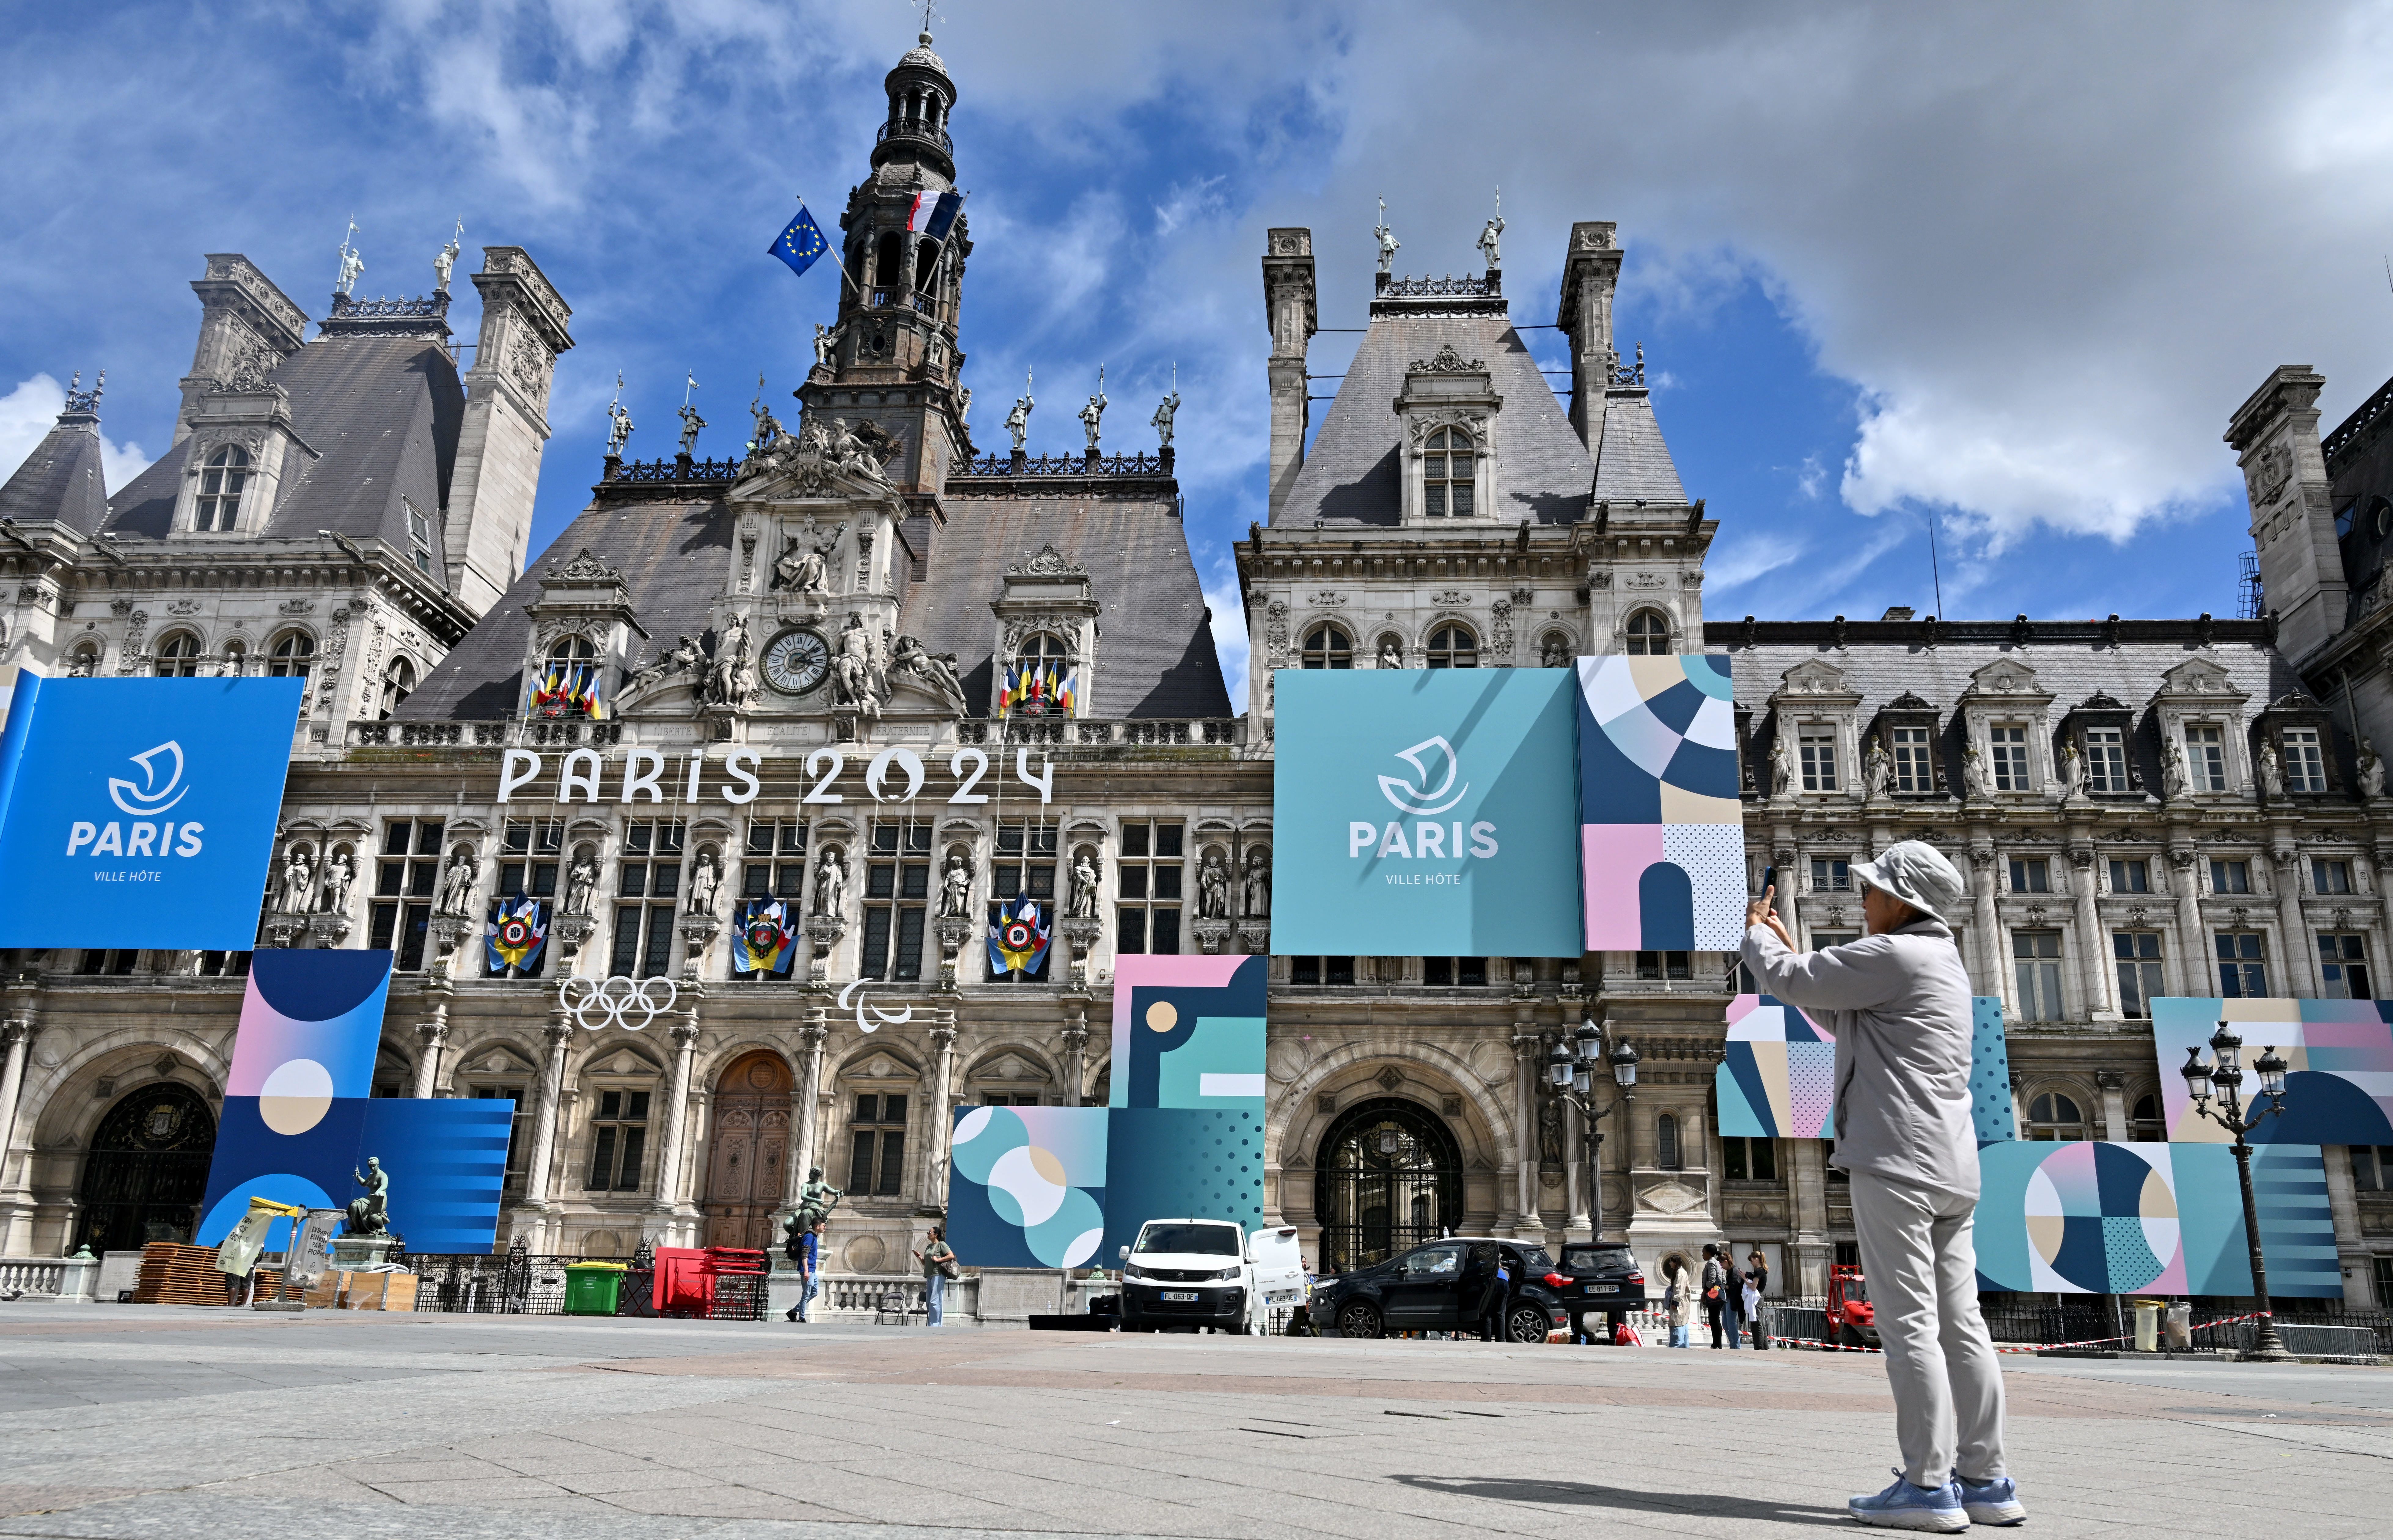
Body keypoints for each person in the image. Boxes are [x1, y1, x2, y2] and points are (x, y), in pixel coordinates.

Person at [1744, 839, 2020, 1531]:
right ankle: (1984, 1482)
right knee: (1963, 1326)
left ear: (1900, 901)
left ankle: (1927, 1487)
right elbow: (1839, 1008)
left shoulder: (1893, 955)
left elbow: (1797, 983)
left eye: (1869, 890)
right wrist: (1789, 948)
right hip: (1951, 1167)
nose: (1859, 900)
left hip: (1896, 1159)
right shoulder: (1941, 962)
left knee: (1907, 1325)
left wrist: (1755, 934)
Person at [913, 1226, 956, 1328]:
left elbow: (951, 1256)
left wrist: (938, 1260)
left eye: (930, 1232)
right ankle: (933, 1323)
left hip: (938, 1274)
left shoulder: (942, 1245)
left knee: (935, 1301)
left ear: (936, 1235)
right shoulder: (929, 1247)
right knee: (929, 1302)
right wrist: (920, 1257)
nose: (928, 1234)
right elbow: (926, 1263)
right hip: (929, 1274)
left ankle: (935, 1325)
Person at [783, 1219, 822, 1323]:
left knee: (814, 1293)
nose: (825, 1227)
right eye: (823, 1225)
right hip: (808, 1269)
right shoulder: (809, 1237)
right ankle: (802, 1318)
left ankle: (794, 1311)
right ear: (817, 1227)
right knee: (806, 1294)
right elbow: (805, 1254)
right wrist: (806, 1271)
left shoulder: (814, 1237)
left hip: (813, 1269)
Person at [1716, 1242, 1746, 1350]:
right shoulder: (1729, 1271)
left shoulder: (1734, 1271)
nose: (1722, 1267)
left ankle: (1736, 1345)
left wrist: (1724, 1286)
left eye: (1722, 1265)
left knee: (1731, 1323)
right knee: (1726, 1324)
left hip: (1732, 1301)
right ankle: (1733, 1343)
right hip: (1727, 1300)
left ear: (1726, 1262)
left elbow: (1735, 1287)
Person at [1700, 1243, 1730, 1349]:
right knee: (1714, 1319)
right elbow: (1724, 1280)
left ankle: (1717, 1343)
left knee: (1714, 1319)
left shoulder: (1711, 1263)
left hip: (1714, 1295)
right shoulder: (1718, 1264)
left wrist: (1705, 1292)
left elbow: (1712, 1279)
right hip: (1720, 1294)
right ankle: (1717, 1343)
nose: (1703, 1256)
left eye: (1704, 1253)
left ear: (1708, 1253)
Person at [1662, 1258, 1694, 1348]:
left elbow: (1679, 1288)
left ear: (1675, 1263)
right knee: (1683, 1326)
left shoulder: (1680, 1272)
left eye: (1671, 1262)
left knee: (1677, 1325)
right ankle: (1684, 1348)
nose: (1670, 1263)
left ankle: (1676, 1348)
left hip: (1679, 1305)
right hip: (1682, 1304)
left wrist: (1675, 1303)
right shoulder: (1681, 1272)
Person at [1745, 1249, 1771, 1350]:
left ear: (1756, 1259)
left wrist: (1745, 1278)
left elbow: (1753, 1287)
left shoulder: (1759, 1272)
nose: (1751, 1263)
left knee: (1757, 1323)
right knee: (1761, 1324)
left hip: (1757, 1298)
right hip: (1760, 1298)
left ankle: (1759, 1346)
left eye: (1752, 1261)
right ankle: (1765, 1346)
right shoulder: (1763, 1271)